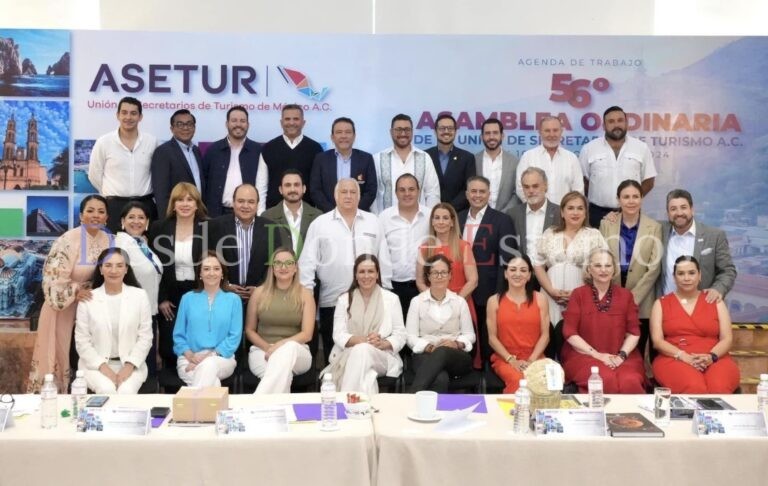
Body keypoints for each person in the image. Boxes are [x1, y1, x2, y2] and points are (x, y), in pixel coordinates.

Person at [299, 178, 392, 364]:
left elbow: (384, 260)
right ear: (335, 196)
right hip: (332, 300)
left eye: (353, 192)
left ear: (359, 196)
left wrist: (386, 294)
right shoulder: (320, 224)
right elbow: (307, 263)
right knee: (334, 357)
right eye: (344, 192)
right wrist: (307, 297)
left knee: (368, 353)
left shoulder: (373, 222)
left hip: (370, 302)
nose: (348, 196)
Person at [27, 195, 112, 392]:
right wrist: (75, 290)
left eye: (101, 212)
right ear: (81, 216)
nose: (96, 215)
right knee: (58, 354)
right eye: (90, 211)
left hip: (90, 305)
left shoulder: (108, 240)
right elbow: (53, 277)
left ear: (107, 217)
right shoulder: (68, 240)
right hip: (62, 307)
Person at [650, 256, 740, 393]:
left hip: (715, 357)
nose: (686, 278)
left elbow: (727, 338)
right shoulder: (661, 303)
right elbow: (657, 341)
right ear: (674, 277)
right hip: (674, 358)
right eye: (681, 274)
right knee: (694, 387)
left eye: (691, 273)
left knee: (719, 386)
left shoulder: (715, 301)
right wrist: (683, 356)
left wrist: (711, 357)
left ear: (700, 275)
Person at [561, 248, 646, 393]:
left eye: (608, 265)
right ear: (589, 269)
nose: (603, 270)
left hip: (621, 356)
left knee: (630, 381)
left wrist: (621, 356)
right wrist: (598, 355)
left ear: (614, 269)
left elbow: (634, 332)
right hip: (585, 355)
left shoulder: (626, 295)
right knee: (604, 379)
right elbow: (569, 332)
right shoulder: (578, 294)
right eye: (598, 265)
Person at [323, 254, 406, 395]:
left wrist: (383, 343)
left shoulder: (392, 299)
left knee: (362, 349)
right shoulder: (344, 300)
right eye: (362, 272)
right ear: (355, 275)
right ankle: (362, 405)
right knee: (368, 378)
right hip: (349, 354)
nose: (366, 276)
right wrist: (364, 340)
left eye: (371, 271)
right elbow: (338, 334)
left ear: (377, 274)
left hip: (382, 356)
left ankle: (345, 399)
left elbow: (401, 334)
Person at [74, 248, 153, 394]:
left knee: (126, 392)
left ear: (126, 269)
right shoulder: (88, 299)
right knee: (107, 389)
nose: (114, 270)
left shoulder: (140, 296)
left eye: (119, 266)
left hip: (131, 364)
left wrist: (129, 366)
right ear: (101, 269)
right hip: (95, 366)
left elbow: (145, 337)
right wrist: (104, 368)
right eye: (108, 265)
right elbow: (82, 341)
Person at [599, 179, 662, 359]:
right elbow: (601, 258)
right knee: (611, 348)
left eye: (635, 196)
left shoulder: (654, 227)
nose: (631, 201)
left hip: (642, 301)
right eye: (626, 197)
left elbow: (654, 268)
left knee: (637, 353)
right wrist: (615, 296)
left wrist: (632, 299)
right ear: (618, 199)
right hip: (611, 296)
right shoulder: (607, 224)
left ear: (642, 198)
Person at [148, 182, 208, 368]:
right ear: (173, 204)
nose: (185, 204)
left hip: (199, 292)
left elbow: (214, 264)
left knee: (199, 342)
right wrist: (161, 298)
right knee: (170, 348)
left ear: (197, 204)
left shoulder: (208, 226)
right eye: (180, 200)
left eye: (190, 199)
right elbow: (153, 266)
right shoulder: (159, 227)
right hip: (170, 297)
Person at [458, 176, 517, 363]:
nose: (477, 195)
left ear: (489, 194)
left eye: (482, 191)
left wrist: (500, 293)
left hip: (489, 289)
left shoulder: (502, 220)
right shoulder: (457, 218)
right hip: (460, 287)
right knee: (463, 333)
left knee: (487, 335)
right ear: (467, 194)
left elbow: (507, 260)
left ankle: (487, 372)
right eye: (473, 191)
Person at [245, 248, 315, 394]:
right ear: (272, 268)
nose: (283, 267)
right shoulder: (259, 293)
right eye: (278, 263)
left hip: (297, 351)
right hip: (262, 350)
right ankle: (279, 409)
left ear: (295, 268)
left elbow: (307, 334)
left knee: (289, 349)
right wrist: (269, 348)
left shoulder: (305, 295)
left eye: (288, 263)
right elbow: (249, 330)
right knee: (282, 374)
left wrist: (280, 346)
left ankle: (254, 403)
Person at [533, 191, 607, 329]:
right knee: (549, 333)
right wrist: (551, 290)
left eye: (580, 208)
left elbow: (605, 269)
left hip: (583, 297)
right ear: (562, 212)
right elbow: (538, 264)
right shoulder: (550, 233)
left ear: (585, 213)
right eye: (570, 208)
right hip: (550, 296)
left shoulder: (594, 235)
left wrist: (578, 294)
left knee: (577, 333)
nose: (575, 212)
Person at [88, 96, 158, 232]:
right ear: (117, 115)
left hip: (145, 206)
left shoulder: (151, 142)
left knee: (146, 245)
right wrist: (110, 194)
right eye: (124, 112)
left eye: (133, 113)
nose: (128, 117)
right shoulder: (104, 142)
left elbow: (156, 173)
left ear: (140, 117)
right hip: (115, 208)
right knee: (115, 245)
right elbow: (94, 175)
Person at [406, 254, 476, 392]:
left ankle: (411, 396)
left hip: (456, 357)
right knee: (440, 379)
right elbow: (410, 337)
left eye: (443, 272)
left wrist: (456, 344)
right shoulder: (417, 302)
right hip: (424, 355)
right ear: (428, 276)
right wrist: (429, 348)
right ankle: (432, 406)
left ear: (450, 275)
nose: (439, 276)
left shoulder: (460, 301)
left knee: (443, 351)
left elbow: (470, 335)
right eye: (435, 273)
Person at [579, 106, 656, 228]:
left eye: (620, 120)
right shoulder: (589, 149)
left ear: (626, 123)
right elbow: (583, 181)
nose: (616, 125)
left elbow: (649, 180)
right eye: (611, 121)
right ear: (604, 126)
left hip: (630, 212)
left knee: (629, 241)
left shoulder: (641, 148)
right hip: (597, 213)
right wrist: (600, 196)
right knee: (597, 241)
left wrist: (631, 201)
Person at [173, 251, 242, 387]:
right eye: (206, 269)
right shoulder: (187, 299)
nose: (211, 273)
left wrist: (206, 358)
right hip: (189, 358)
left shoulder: (234, 300)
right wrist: (190, 356)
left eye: (216, 269)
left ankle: (193, 402)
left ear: (222, 273)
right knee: (213, 383)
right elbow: (178, 336)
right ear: (200, 273)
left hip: (222, 358)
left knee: (208, 366)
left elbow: (234, 337)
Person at [658, 189, 737, 303]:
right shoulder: (659, 230)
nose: (679, 213)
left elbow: (728, 270)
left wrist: (718, 289)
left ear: (692, 210)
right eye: (673, 209)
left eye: (683, 207)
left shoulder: (715, 236)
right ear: (668, 214)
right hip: (666, 307)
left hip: (702, 306)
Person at [487, 255, 550, 394]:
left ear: (529, 275)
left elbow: (545, 335)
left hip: (536, 357)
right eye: (513, 269)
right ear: (505, 274)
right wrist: (512, 360)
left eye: (523, 270)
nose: (517, 274)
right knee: (520, 381)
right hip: (505, 358)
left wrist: (531, 360)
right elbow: (492, 338)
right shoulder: (493, 301)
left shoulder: (541, 299)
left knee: (548, 382)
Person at [209, 183, 283, 299]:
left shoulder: (271, 228)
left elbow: (276, 263)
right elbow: (208, 260)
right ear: (233, 203)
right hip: (223, 296)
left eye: (251, 202)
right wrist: (225, 285)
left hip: (261, 298)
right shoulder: (215, 227)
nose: (245, 206)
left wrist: (261, 288)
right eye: (241, 201)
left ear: (257, 205)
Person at [114, 201, 162, 376]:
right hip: (130, 316)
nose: (136, 221)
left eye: (141, 217)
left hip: (148, 314)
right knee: (134, 369)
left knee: (147, 369)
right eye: (131, 217)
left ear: (147, 222)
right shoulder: (120, 245)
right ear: (123, 221)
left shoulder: (141, 244)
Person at [417, 203, 478, 328]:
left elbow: (473, 280)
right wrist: (436, 303)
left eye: (445, 218)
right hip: (432, 309)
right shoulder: (424, 249)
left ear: (452, 222)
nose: (441, 222)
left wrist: (455, 303)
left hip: (460, 305)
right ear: (432, 222)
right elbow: (420, 282)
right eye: (437, 218)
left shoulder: (463, 247)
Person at [379, 174, 430, 319]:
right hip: (393, 287)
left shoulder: (430, 215)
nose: (407, 193)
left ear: (419, 191)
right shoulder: (384, 217)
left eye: (411, 189)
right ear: (396, 193)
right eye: (402, 190)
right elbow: (379, 252)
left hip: (424, 286)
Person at [257, 104, 323, 212]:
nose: (291, 123)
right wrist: (260, 214)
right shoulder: (268, 148)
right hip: (273, 214)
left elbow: (318, 187)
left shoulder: (315, 149)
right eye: (287, 119)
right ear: (281, 122)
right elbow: (261, 186)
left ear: (303, 122)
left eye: (296, 119)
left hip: (307, 215)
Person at [372, 114, 440, 214]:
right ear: (391, 132)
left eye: (407, 129)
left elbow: (432, 193)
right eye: (398, 129)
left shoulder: (425, 158)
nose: (403, 133)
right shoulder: (378, 159)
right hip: (386, 221)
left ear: (412, 132)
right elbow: (373, 194)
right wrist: (377, 219)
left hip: (419, 221)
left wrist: (430, 218)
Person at [203, 105, 261, 217]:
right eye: (234, 120)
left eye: (242, 121)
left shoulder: (257, 151)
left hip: (248, 213)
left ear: (248, 125)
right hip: (217, 214)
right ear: (227, 124)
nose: (238, 124)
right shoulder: (213, 150)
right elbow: (204, 182)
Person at [310, 117, 377, 212]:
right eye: (339, 132)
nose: (343, 136)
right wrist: (333, 213)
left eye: (348, 132)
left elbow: (371, 191)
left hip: (359, 215)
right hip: (328, 215)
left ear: (354, 136)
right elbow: (315, 190)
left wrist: (354, 211)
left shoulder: (366, 159)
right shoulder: (321, 159)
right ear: (332, 137)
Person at [515, 116, 583, 205]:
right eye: (547, 131)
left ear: (561, 131)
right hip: (536, 211)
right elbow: (520, 187)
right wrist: (536, 207)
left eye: (555, 130)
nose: (551, 134)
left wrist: (568, 210)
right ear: (540, 132)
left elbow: (578, 191)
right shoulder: (528, 156)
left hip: (564, 212)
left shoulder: (572, 158)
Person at [150, 109, 204, 217]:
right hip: (176, 216)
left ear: (194, 127)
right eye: (180, 124)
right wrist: (166, 221)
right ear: (172, 129)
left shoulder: (196, 150)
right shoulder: (163, 152)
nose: (185, 128)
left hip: (197, 213)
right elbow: (161, 192)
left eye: (189, 124)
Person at [261, 170, 322, 257]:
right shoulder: (267, 217)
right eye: (288, 185)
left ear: (304, 188)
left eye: (296, 185)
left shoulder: (317, 216)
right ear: (280, 190)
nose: (292, 189)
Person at [425, 114, 475, 212]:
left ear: (455, 131)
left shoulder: (467, 158)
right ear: (435, 131)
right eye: (442, 128)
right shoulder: (425, 156)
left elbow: (469, 188)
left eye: (450, 128)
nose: (446, 131)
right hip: (429, 213)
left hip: (458, 213)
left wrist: (449, 209)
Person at [508, 167, 562, 257]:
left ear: (546, 186)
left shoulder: (559, 213)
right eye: (526, 187)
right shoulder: (513, 214)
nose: (531, 191)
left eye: (535, 186)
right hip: (521, 265)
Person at [473, 118, 520, 214]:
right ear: (481, 137)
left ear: (502, 136)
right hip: (478, 215)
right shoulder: (473, 160)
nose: (491, 137)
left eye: (495, 133)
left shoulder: (514, 162)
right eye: (487, 133)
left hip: (506, 216)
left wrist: (504, 213)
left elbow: (517, 192)